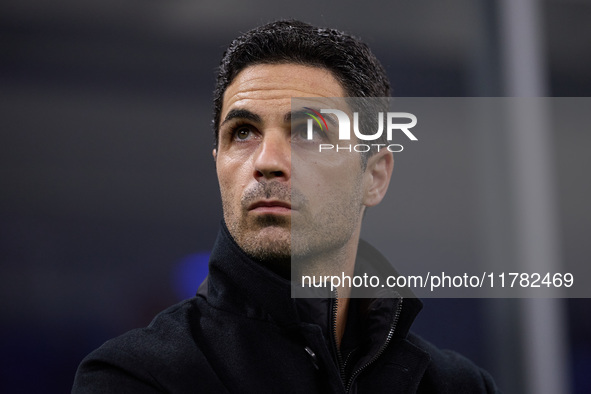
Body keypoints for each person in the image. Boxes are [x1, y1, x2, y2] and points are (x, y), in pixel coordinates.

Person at [73, 20, 498, 393]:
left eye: (310, 131)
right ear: (218, 161)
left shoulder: (456, 386)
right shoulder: (136, 378)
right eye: (242, 132)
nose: (268, 162)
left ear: (375, 175)